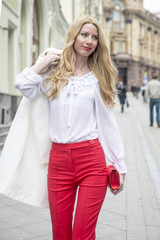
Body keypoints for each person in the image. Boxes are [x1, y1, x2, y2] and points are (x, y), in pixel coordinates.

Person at [0, 16, 127, 240]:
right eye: (84, 34)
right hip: (58, 163)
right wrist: (45, 60)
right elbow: (23, 84)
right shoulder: (53, 72)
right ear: (74, 36)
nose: (89, 41)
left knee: (82, 235)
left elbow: (108, 123)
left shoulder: (98, 78)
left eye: (95, 37)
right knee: (60, 235)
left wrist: (119, 163)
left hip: (91, 161)